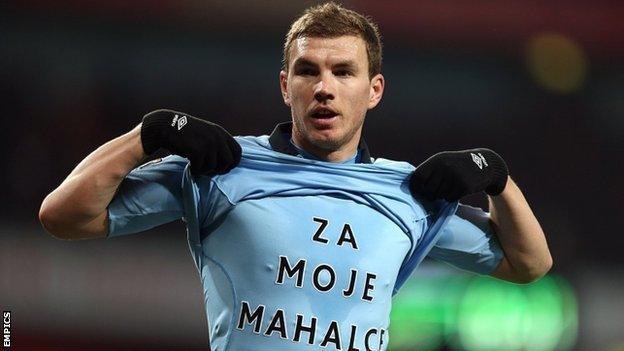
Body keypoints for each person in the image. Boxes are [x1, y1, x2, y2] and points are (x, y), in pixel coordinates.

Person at [39, 2, 552, 350]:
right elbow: (63, 216)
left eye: (343, 72)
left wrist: (498, 180)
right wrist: (146, 137)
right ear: (286, 86)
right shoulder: (223, 167)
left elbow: (530, 265)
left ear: (373, 90)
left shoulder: (410, 193)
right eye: (308, 71)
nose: (324, 87)